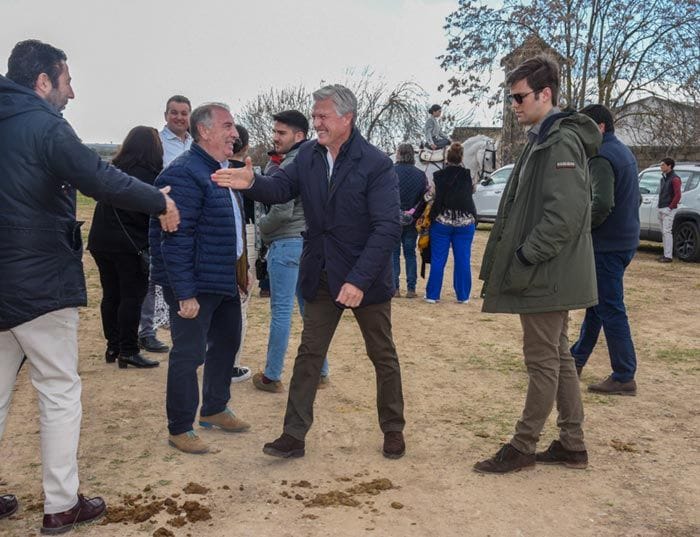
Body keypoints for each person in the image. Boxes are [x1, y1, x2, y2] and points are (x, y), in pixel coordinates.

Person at [0, 39, 179, 533]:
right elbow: (98, 176)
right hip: (37, 279)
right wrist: (158, 201)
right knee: (58, 389)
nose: (72, 92)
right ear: (43, 82)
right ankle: (61, 504)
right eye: (67, 80)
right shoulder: (44, 125)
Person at [212, 84, 406, 460]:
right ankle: (293, 435)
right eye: (314, 116)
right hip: (320, 273)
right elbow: (279, 188)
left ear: (347, 118)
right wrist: (251, 183)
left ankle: (393, 429)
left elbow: (387, 228)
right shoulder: (308, 157)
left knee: (383, 356)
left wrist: (357, 281)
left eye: (322, 116)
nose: (316, 122)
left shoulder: (376, 163)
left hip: (365, 279)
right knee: (309, 355)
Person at [474, 55, 600, 474]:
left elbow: (564, 216)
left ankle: (524, 444)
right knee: (559, 355)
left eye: (519, 97)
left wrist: (526, 255)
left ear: (545, 94)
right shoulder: (543, 138)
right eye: (511, 98)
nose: (514, 105)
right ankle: (572, 443)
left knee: (542, 360)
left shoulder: (559, 141)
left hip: (547, 273)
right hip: (552, 271)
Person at [150, 103, 250, 455]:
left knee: (226, 344)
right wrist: (185, 293)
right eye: (227, 126)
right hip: (195, 284)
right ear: (204, 131)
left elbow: (231, 228)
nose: (234, 133)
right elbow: (174, 239)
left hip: (222, 279)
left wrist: (239, 272)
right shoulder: (184, 173)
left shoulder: (221, 171)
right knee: (189, 354)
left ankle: (215, 408)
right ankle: (179, 428)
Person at [253, 110, 330, 393]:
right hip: (309, 244)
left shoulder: (290, 164)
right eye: (274, 132)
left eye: (281, 133)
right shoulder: (317, 161)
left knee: (282, 312)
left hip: (286, 243)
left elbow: (282, 211)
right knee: (309, 312)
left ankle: (272, 376)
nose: (275, 137)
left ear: (300, 136)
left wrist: (262, 227)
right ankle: (321, 372)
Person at [570, 104, 640, 396]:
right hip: (623, 240)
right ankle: (576, 359)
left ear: (599, 128)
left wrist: (579, 226)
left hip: (607, 244)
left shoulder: (600, 155)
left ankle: (624, 374)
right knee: (596, 306)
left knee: (609, 308)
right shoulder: (621, 150)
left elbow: (601, 203)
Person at [88, 126, 164, 369]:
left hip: (101, 241)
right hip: (130, 244)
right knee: (132, 298)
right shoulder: (151, 177)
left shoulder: (112, 171)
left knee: (111, 295)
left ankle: (113, 345)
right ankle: (129, 350)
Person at [138, 95, 193, 354]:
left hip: (191, 219)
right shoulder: (157, 144)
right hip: (161, 215)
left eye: (184, 113)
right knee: (154, 275)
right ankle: (146, 331)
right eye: (175, 112)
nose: (180, 118)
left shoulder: (196, 144)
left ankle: (183, 329)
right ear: (165, 115)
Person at [424, 142, 477, 304]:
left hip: (442, 222)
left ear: (446, 157)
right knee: (463, 259)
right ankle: (463, 296)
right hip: (465, 223)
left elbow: (430, 195)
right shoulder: (468, 176)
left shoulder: (438, 176)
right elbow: (473, 190)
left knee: (438, 259)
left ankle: (433, 295)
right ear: (461, 157)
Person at [228, 124, 252, 384]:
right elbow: (250, 221)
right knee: (240, 307)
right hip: (242, 247)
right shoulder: (246, 175)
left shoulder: (213, 170)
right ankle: (231, 363)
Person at [392, 143, 428, 299]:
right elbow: (424, 199)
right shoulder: (421, 175)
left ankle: (395, 288)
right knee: (410, 254)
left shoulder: (390, 172)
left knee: (393, 254)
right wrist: (415, 214)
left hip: (393, 218)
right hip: (412, 220)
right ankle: (411, 289)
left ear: (398, 154)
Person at [657, 157, 682, 263]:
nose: (661, 167)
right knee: (664, 232)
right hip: (661, 207)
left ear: (669, 166)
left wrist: (670, 207)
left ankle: (668, 256)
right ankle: (665, 254)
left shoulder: (675, 179)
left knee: (667, 232)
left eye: (663, 165)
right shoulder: (663, 178)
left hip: (668, 209)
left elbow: (678, 195)